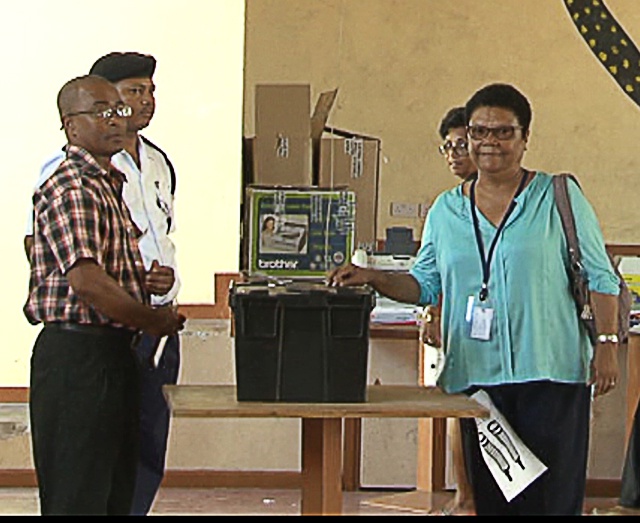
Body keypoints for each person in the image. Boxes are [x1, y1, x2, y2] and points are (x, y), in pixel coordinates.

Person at [328, 82, 621, 516]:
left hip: (552, 375)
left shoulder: (557, 197)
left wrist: (607, 347)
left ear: (525, 139)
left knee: (552, 501)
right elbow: (425, 284)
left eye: (504, 132)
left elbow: (601, 277)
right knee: (495, 499)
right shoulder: (446, 210)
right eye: (480, 132)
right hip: (479, 379)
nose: (490, 143)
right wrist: (373, 277)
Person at [24, 52, 182, 516]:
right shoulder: (71, 183)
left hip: (120, 348)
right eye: (104, 111)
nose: (119, 119)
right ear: (72, 126)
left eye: (120, 109)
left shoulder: (119, 176)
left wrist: (150, 281)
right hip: (80, 356)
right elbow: (88, 281)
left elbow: (120, 259)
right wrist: (152, 318)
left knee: (119, 483)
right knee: (80, 492)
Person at [420, 106, 476, 516]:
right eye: (449, 147)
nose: (455, 154)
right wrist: (432, 312)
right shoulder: (446, 208)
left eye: (462, 145)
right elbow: (432, 271)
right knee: (462, 412)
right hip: (463, 333)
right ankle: (466, 496)